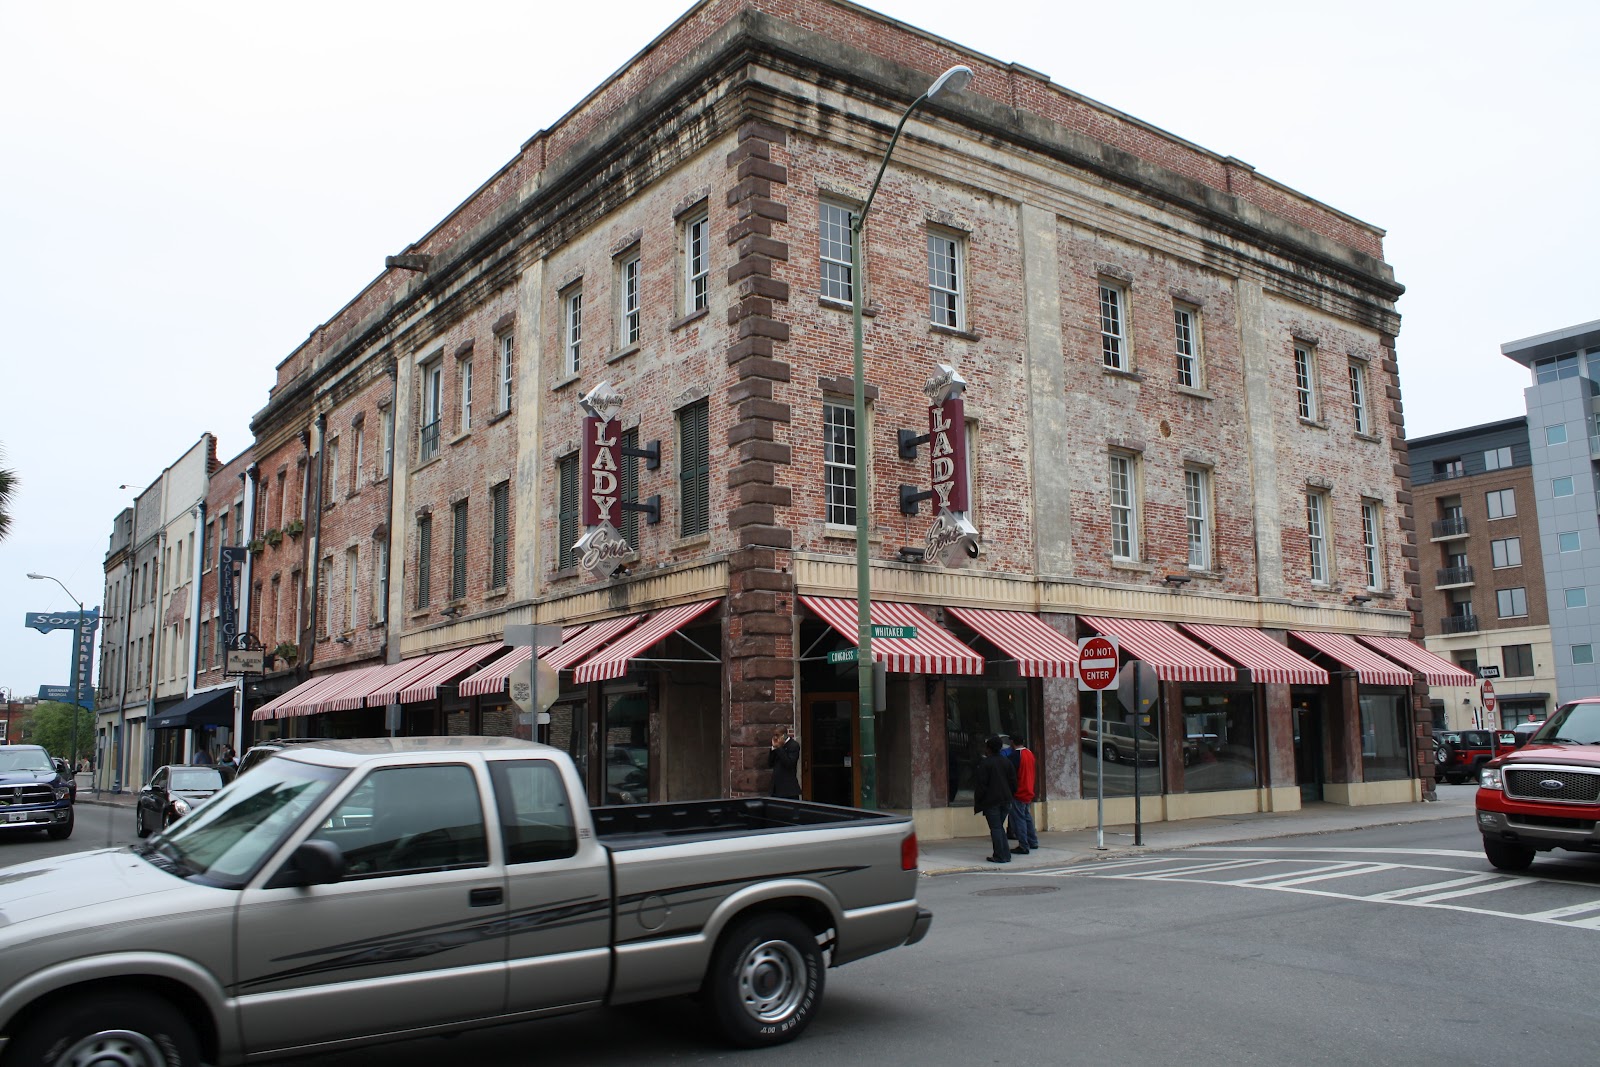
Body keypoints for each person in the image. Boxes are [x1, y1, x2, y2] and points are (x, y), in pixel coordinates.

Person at [973, 735, 1016, 863]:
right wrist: (1010, 794)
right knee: (999, 827)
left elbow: (981, 785)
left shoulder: (986, 764)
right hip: (1006, 800)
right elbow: (1013, 782)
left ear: (989, 748)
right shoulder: (1007, 762)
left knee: (996, 828)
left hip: (992, 802)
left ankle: (1000, 855)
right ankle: (1005, 854)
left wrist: (979, 801)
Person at [1004, 732, 1039, 855]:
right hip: (1028, 790)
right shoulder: (1029, 754)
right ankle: (1033, 841)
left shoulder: (1015, 756)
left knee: (1019, 819)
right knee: (1027, 817)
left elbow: (1009, 774)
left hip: (1019, 792)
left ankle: (1023, 845)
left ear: (1012, 742)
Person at [769, 727, 801, 800]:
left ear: (784, 735)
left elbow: (789, 764)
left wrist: (779, 748)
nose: (775, 737)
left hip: (788, 790)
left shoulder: (793, 745)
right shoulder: (776, 745)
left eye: (777, 735)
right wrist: (773, 748)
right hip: (776, 788)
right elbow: (770, 763)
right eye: (774, 735)